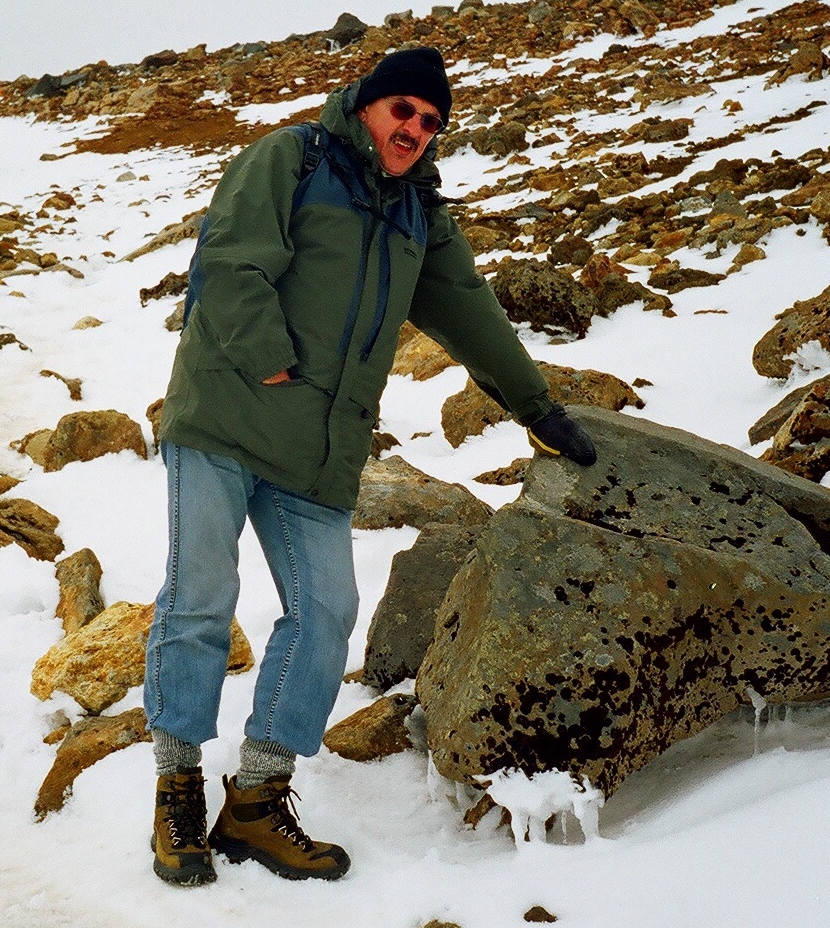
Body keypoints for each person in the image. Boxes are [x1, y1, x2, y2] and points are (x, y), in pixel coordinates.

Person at [144, 46, 597, 886]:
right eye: (404, 112)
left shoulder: (419, 211)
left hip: (318, 448)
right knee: (200, 595)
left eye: (430, 123)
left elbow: (468, 309)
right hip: (225, 410)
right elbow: (229, 258)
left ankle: (254, 800)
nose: (415, 131)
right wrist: (273, 357)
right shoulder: (292, 157)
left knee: (326, 615)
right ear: (367, 104)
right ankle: (176, 788)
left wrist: (536, 407)